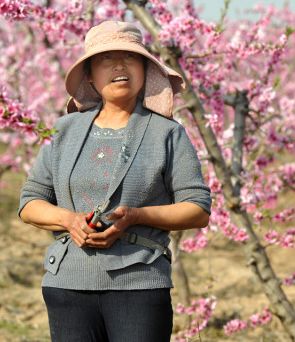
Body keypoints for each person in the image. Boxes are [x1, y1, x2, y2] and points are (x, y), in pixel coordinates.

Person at [18, 21, 212, 341]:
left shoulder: (167, 133)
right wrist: (68, 219)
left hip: (139, 282)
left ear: (144, 70)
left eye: (129, 56)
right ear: (90, 75)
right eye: (107, 57)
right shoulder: (64, 130)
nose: (119, 65)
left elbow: (197, 210)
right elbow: (30, 203)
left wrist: (136, 216)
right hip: (67, 284)